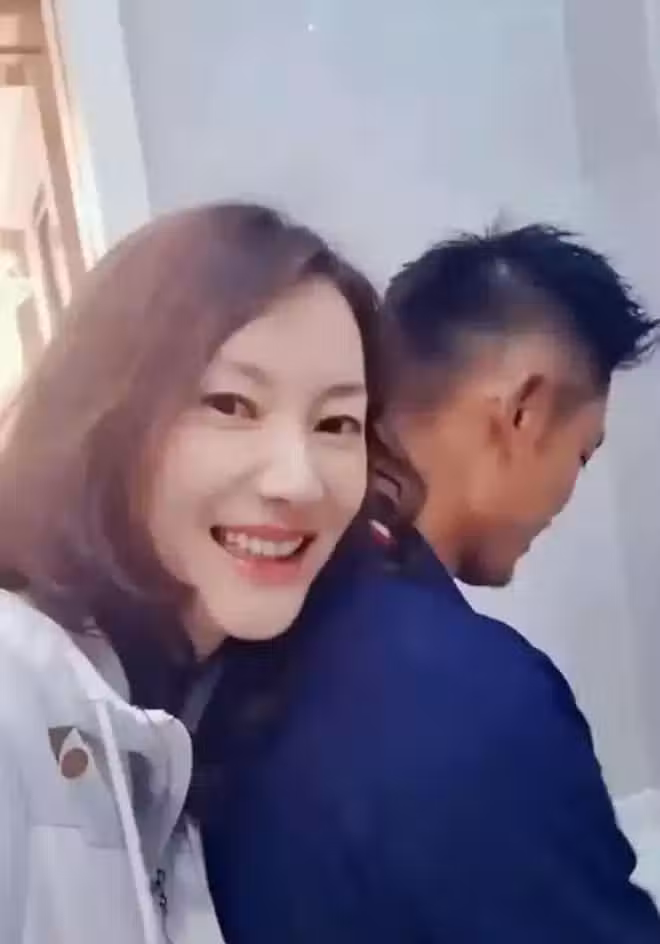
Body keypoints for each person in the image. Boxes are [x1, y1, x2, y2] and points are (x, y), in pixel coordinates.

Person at [202, 224, 660, 942]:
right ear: (522, 413)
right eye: (581, 453)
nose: (568, 495)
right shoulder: (475, 696)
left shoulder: (258, 628)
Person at [0, 203, 412, 943]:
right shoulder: (16, 697)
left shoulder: (178, 718)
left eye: (335, 423)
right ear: (105, 411)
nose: (298, 480)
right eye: (231, 405)